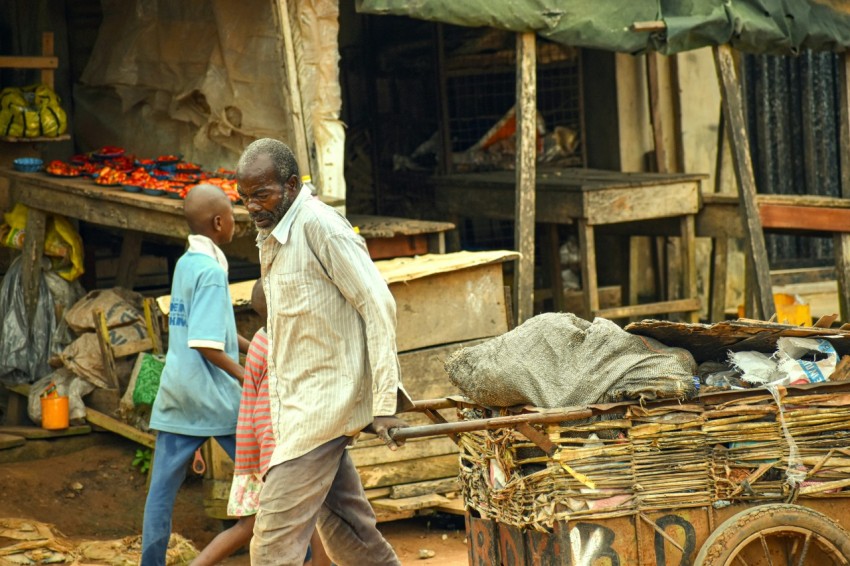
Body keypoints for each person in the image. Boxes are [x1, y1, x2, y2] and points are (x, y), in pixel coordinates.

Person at [236, 138, 412, 566]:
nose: (253, 207)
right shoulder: (275, 234)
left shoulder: (320, 226)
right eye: (245, 199)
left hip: (322, 411)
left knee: (272, 546)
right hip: (300, 410)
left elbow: (378, 303)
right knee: (350, 534)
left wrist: (384, 403)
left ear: (292, 185)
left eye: (262, 194)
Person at [141, 184, 251, 566]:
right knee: (266, 473)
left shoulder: (188, 262)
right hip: (214, 395)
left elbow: (209, 327)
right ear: (219, 223)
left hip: (178, 390)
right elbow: (205, 343)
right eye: (234, 218)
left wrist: (251, 347)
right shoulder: (211, 272)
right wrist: (243, 373)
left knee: (161, 491)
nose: (236, 224)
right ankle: (304, 553)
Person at [191, 280, 329, 566]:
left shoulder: (261, 339)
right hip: (272, 451)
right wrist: (275, 459)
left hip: (257, 450)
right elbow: (268, 414)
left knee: (249, 526)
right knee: (313, 513)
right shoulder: (276, 350)